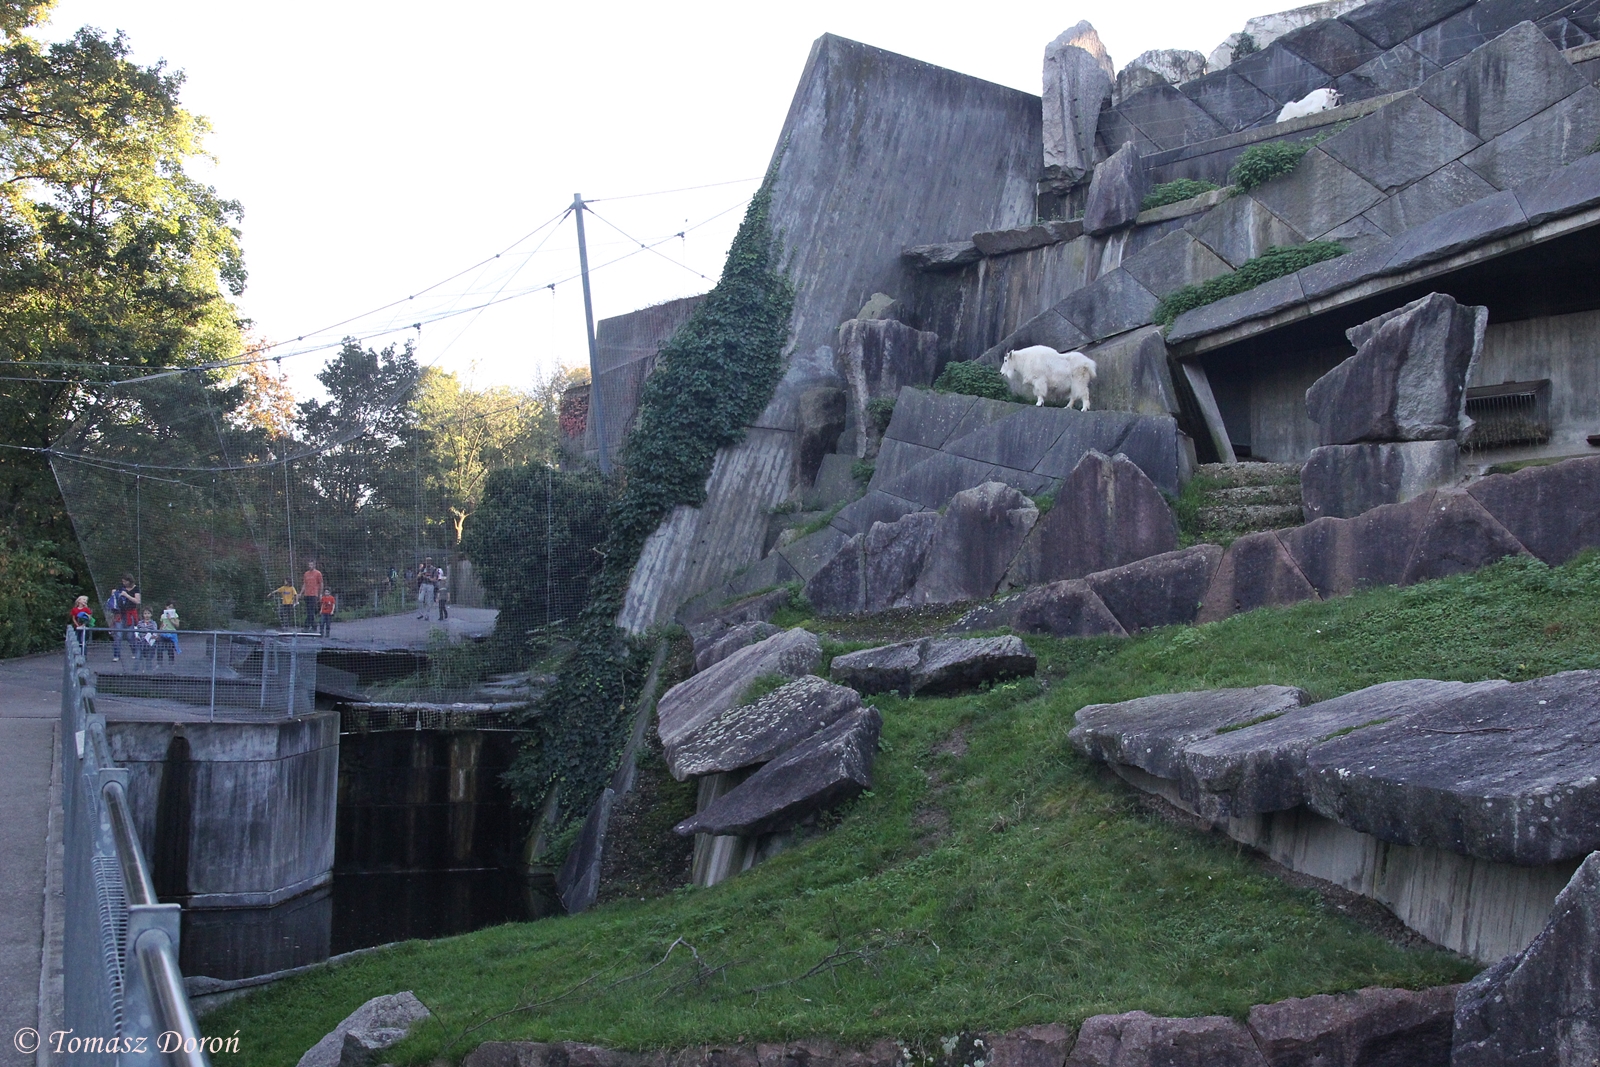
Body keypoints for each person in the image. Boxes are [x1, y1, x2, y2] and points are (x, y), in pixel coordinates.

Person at [108, 574, 140, 662]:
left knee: (130, 635)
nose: (124, 583)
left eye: (125, 581)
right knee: (118, 635)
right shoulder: (121, 587)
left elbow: (137, 601)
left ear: (130, 581)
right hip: (120, 614)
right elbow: (115, 594)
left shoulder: (135, 589)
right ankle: (116, 655)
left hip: (130, 613)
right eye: (123, 581)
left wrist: (126, 595)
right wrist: (114, 593)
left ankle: (135, 652)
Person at [300, 560, 324, 630]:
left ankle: (307, 626)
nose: (310, 566)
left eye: (311, 565)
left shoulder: (318, 573)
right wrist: (301, 593)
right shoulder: (306, 574)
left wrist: (320, 593)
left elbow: (321, 583)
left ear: (314, 565)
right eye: (309, 565)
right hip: (307, 594)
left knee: (311, 610)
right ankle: (313, 626)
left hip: (314, 594)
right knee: (309, 611)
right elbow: (304, 584)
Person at [157, 602, 180, 666]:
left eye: (172, 607)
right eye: (169, 607)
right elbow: (161, 625)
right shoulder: (162, 615)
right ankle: (159, 664)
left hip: (171, 634)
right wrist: (158, 633)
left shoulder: (175, 615)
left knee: (170, 649)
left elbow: (177, 625)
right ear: (166, 607)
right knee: (159, 648)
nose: (170, 608)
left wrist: (171, 620)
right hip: (164, 633)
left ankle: (171, 664)